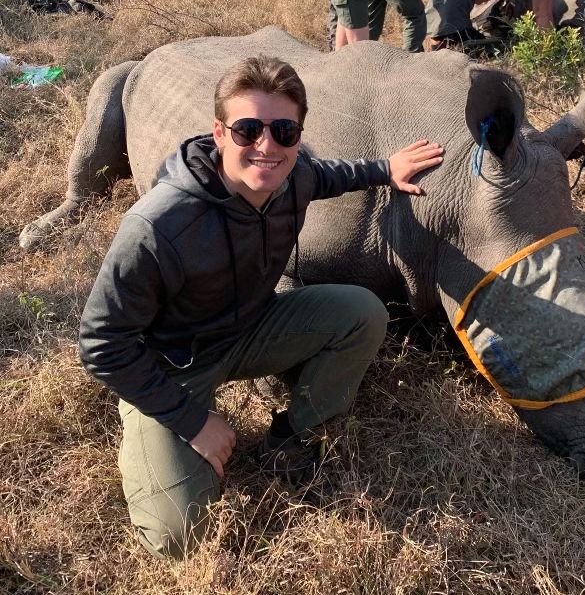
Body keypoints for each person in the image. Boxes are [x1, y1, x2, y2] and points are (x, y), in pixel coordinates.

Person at [78, 55, 444, 559]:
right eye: (248, 130)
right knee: (178, 538)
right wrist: (191, 421)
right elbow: (101, 345)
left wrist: (385, 168)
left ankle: (293, 434)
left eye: (284, 131)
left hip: (252, 327)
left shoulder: (293, 176)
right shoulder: (158, 226)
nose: (267, 147)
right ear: (219, 132)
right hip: (172, 365)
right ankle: (153, 429)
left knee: (361, 311)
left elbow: (330, 175)